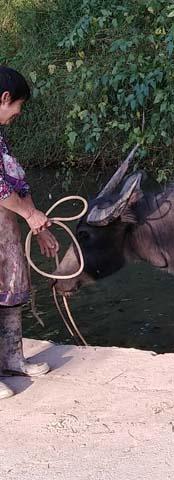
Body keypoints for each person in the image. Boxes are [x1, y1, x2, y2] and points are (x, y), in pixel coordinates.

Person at [0, 66, 59, 399]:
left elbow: (16, 179)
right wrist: (29, 214)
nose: (18, 113)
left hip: (4, 228)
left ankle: (12, 358)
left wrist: (36, 223)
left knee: (12, 288)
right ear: (5, 98)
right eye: (18, 106)